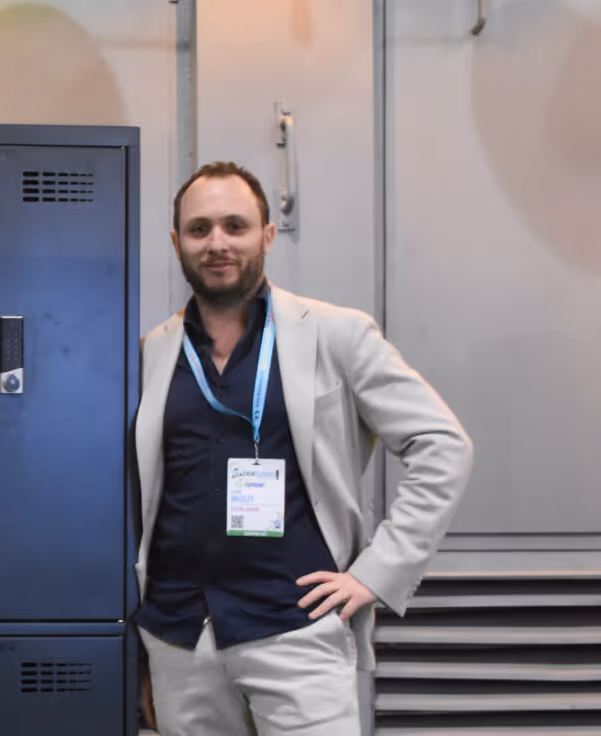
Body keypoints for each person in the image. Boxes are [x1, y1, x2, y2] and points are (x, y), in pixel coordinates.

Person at [133, 161, 473, 735]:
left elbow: (442, 444)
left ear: (266, 235)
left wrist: (376, 572)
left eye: (235, 226)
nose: (217, 243)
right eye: (199, 229)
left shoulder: (336, 334)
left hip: (296, 631)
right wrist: (149, 656)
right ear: (176, 242)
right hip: (179, 637)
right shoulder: (152, 352)